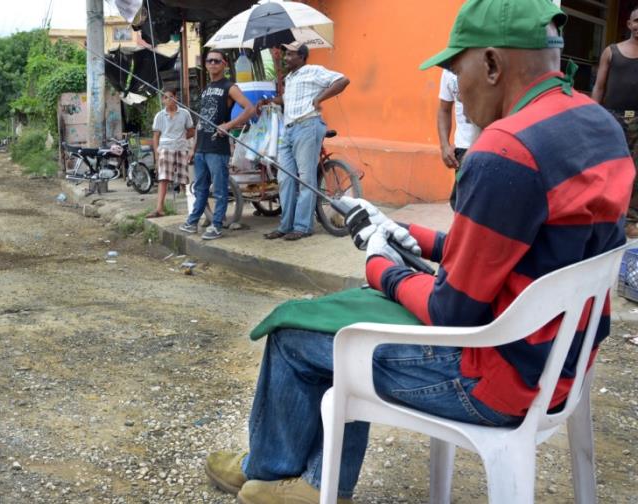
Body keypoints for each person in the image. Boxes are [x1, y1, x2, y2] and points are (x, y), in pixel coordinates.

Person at [204, 1, 635, 503]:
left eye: (456, 69)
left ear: (492, 64)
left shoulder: (505, 150)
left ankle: (285, 475)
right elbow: (510, 252)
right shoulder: (598, 125)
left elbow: (452, 310)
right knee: (342, 321)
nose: (455, 88)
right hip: (559, 366)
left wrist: (381, 266)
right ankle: (303, 473)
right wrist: (406, 232)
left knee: (299, 335)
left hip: (494, 380)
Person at [260, 41, 350, 241]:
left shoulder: (313, 70)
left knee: (305, 178)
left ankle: (303, 226)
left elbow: (343, 80)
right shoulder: (291, 77)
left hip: (307, 125)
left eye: (291, 54)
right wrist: (270, 101)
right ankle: (286, 226)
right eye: (286, 55)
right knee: (285, 178)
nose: (286, 58)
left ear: (302, 56)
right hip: (290, 129)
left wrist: (320, 99)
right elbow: (288, 99)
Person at [179, 49, 255, 240]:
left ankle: (217, 225)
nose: (213, 64)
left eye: (217, 61)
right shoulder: (205, 90)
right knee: (200, 189)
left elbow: (250, 109)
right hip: (202, 147)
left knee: (220, 190)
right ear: (205, 64)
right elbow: (200, 122)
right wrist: (193, 147)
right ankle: (192, 221)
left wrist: (228, 126)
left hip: (217, 147)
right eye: (209, 61)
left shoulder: (230, 87)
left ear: (224, 65)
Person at [592, 5, 638, 237]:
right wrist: (592, 117)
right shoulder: (612, 51)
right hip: (611, 118)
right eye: (636, 21)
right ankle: (603, 217)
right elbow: (599, 87)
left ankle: (630, 220)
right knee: (609, 167)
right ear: (629, 24)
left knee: (636, 171)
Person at [147, 88, 195, 218]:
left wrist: (183, 137)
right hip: (165, 148)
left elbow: (192, 130)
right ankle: (159, 208)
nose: (169, 100)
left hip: (181, 147)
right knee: (163, 178)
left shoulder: (184, 113)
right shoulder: (159, 116)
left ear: (176, 98)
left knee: (186, 178)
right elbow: (156, 136)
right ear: (163, 100)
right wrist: (157, 156)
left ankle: (193, 208)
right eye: (166, 97)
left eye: (171, 97)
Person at [437, 68, 481, 209]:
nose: (461, 98)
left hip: (488, 145)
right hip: (462, 148)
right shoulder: (448, 72)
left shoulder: (488, 63)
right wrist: (444, 146)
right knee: (461, 203)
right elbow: (444, 109)